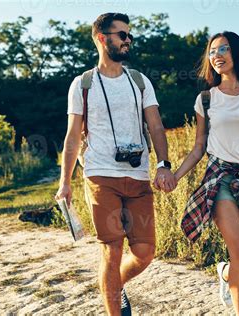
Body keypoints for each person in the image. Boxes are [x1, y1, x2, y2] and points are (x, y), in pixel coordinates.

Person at [54, 12, 176, 316]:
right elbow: (72, 137)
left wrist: (164, 164)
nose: (128, 41)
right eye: (122, 35)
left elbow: (156, 126)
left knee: (145, 252)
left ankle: (113, 286)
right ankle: (113, 306)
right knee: (112, 249)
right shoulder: (82, 84)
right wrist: (65, 181)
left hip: (137, 175)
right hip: (99, 176)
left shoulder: (139, 80)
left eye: (129, 35)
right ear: (102, 37)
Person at [166, 31, 239, 316]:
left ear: (238, 53)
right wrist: (175, 176)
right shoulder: (205, 99)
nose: (217, 55)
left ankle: (225, 272)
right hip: (221, 177)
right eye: (213, 51)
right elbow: (198, 147)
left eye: (224, 49)